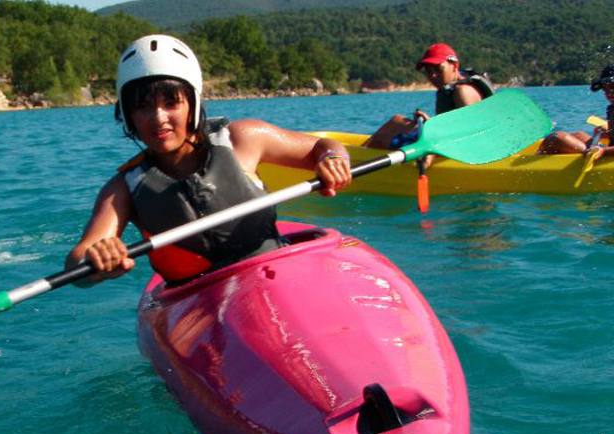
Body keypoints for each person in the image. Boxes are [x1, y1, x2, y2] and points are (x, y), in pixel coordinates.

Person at [65, 35, 352, 284]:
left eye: (171, 103)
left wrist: (331, 158)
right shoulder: (122, 189)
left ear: (193, 103)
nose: (158, 118)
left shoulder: (244, 139)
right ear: (128, 115)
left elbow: (324, 146)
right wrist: (97, 259)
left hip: (274, 275)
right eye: (142, 107)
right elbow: (78, 261)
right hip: (199, 300)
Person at [364, 43, 494, 150]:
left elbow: (472, 137)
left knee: (384, 137)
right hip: (447, 142)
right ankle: (359, 155)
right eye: (428, 71)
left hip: (457, 151)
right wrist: (430, 123)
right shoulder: (454, 87)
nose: (433, 76)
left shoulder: (463, 91)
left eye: (438, 69)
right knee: (396, 120)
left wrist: (432, 132)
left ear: (454, 66)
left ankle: (358, 161)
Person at [538, 65, 614, 155]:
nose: (609, 93)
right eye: (605, 89)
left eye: (612, 87)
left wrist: (603, 151)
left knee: (557, 138)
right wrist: (608, 133)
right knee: (578, 135)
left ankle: (537, 164)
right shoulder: (611, 108)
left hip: (608, 156)